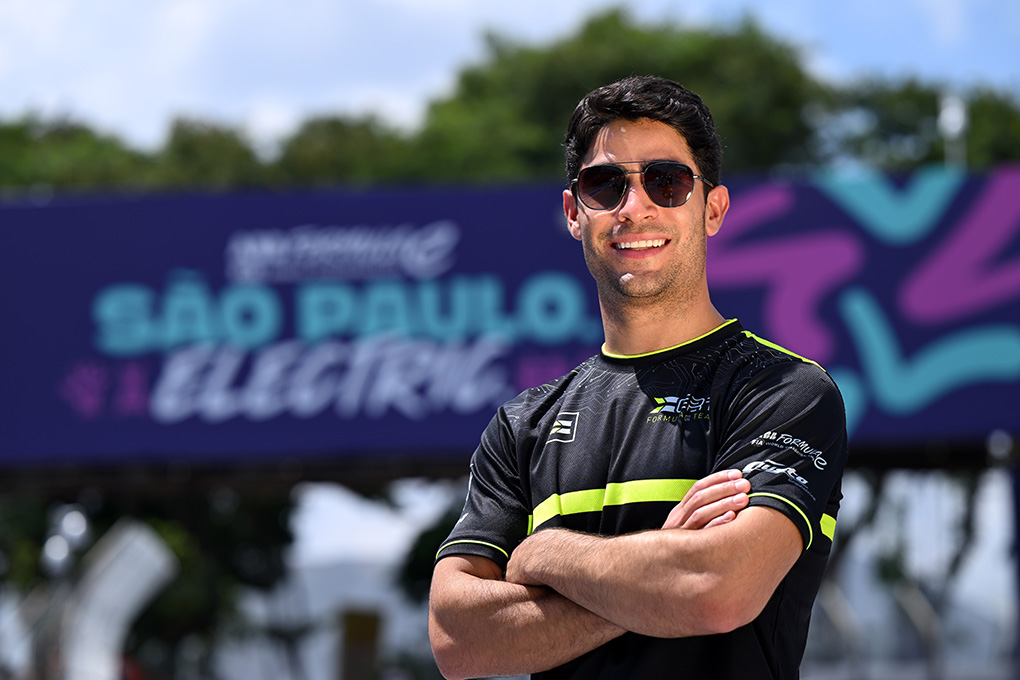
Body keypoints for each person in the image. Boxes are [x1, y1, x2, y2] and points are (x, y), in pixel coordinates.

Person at [428, 75, 848, 680]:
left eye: (667, 181)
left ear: (713, 208)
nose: (635, 206)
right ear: (575, 213)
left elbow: (717, 589)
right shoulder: (521, 426)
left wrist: (546, 554)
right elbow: (457, 639)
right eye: (605, 185)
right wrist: (662, 569)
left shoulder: (783, 390)